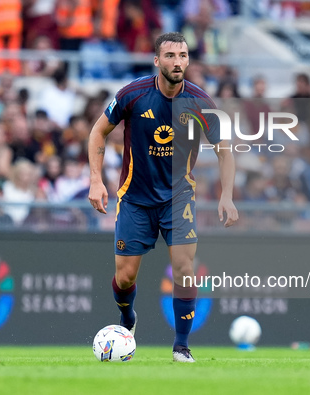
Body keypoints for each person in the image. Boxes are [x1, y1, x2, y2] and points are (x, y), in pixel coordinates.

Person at [88, 32, 238, 363]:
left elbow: (225, 151)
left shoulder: (201, 102)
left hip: (179, 198)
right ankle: (127, 318)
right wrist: (96, 180)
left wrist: (227, 196)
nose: (177, 62)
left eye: (183, 56)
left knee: (184, 269)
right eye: (170, 55)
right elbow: (98, 131)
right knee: (125, 276)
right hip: (135, 199)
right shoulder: (133, 95)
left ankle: (181, 347)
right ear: (157, 61)